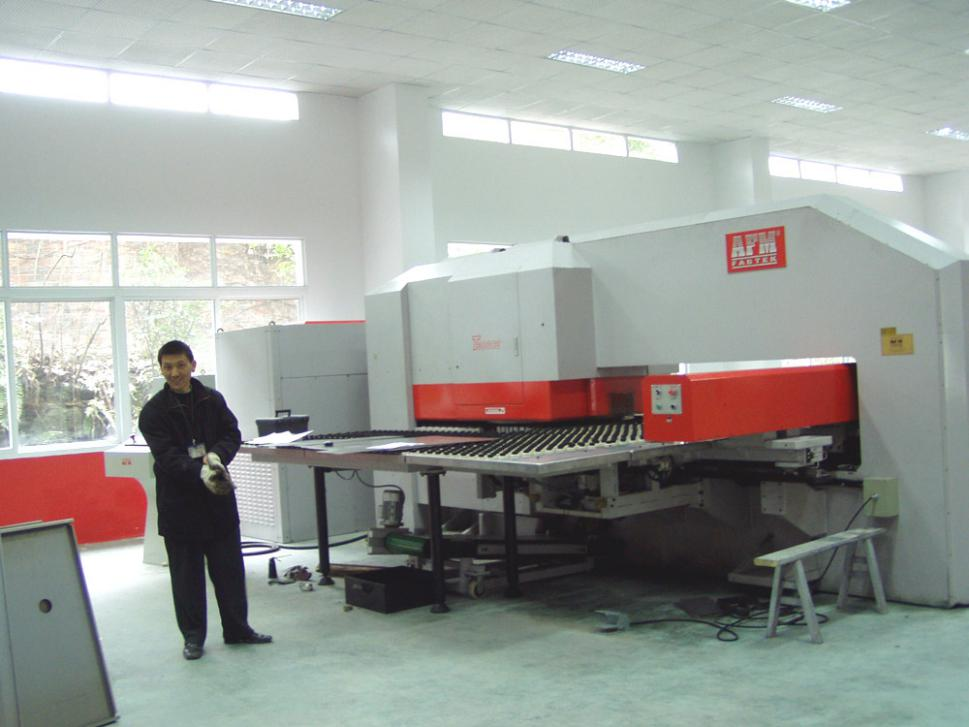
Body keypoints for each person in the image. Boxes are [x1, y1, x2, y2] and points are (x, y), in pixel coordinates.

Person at [139, 340, 271, 660]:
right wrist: (198, 470)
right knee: (187, 577)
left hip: (218, 502)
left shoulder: (212, 399)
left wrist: (217, 457)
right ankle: (193, 638)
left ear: (193, 365)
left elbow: (231, 434)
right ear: (161, 369)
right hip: (179, 504)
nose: (174, 373)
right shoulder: (153, 412)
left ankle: (238, 629)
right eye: (168, 367)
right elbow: (166, 456)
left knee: (229, 571)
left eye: (180, 365)